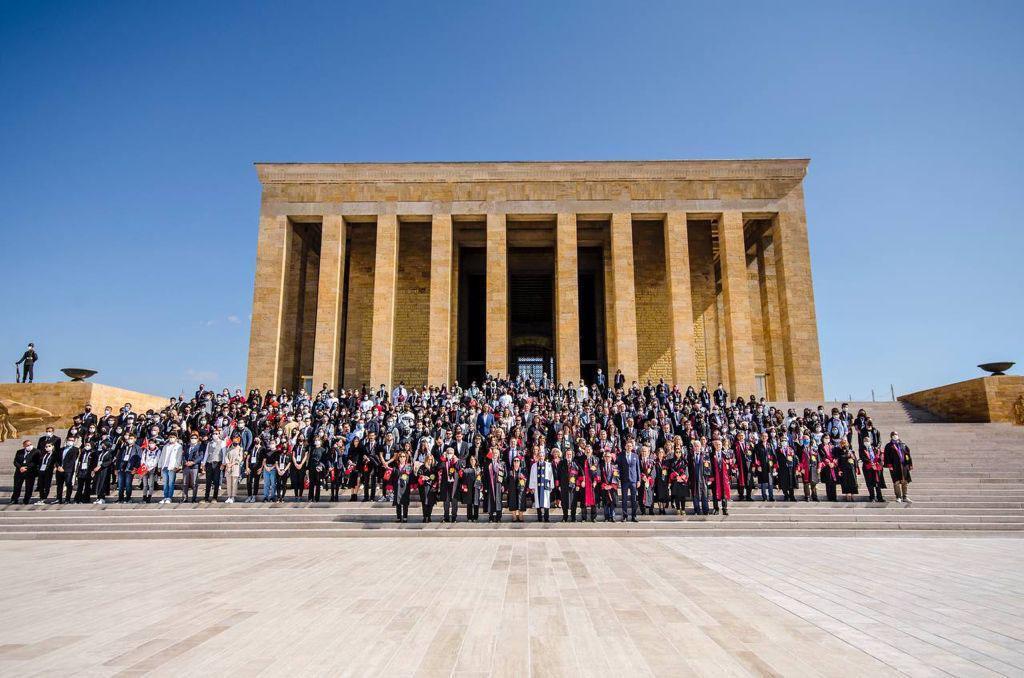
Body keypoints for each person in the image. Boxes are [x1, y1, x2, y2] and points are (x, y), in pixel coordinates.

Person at [884, 431, 913, 503]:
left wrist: (910, 464)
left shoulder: (903, 444)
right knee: (896, 482)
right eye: (893, 435)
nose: (895, 436)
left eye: (896, 434)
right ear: (891, 436)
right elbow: (886, 456)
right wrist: (889, 465)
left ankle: (905, 496)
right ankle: (898, 497)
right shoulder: (888, 446)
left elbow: (907, 455)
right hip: (894, 466)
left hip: (904, 466)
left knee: (905, 481)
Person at [528, 448, 554, 523]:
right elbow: (532, 476)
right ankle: (539, 517)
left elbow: (551, 475)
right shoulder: (534, 465)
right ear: (538, 456)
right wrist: (532, 487)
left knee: (546, 502)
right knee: (538, 502)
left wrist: (551, 485)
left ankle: (546, 517)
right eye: (540, 455)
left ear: (544, 456)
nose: (541, 457)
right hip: (537, 486)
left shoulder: (548, 465)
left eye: (542, 456)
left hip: (545, 485)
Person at [157, 433, 183, 504]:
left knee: (171, 483)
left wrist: (177, 466)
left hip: (172, 467)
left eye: (173, 437)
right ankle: (165, 497)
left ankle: (169, 497)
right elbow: (162, 456)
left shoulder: (179, 446)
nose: (172, 438)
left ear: (176, 438)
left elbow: (179, 457)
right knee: (165, 483)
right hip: (165, 466)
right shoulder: (165, 446)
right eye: (170, 437)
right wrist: (159, 466)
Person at [115, 434, 141, 503]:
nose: (130, 440)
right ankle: (120, 498)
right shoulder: (124, 447)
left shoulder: (137, 448)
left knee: (128, 484)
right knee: (120, 485)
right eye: (129, 438)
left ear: (135, 439)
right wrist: (116, 468)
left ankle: (128, 498)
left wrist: (135, 468)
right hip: (121, 467)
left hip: (130, 468)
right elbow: (118, 458)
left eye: (131, 438)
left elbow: (139, 459)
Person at [618, 441, 640, 522]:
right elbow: (619, 468)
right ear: (625, 447)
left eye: (630, 446)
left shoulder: (635, 456)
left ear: (632, 447)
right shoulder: (620, 456)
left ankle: (634, 516)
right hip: (624, 481)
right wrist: (619, 479)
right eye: (627, 446)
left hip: (634, 481)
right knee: (624, 499)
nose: (629, 447)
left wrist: (639, 480)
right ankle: (625, 516)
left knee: (634, 499)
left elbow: (638, 469)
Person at [12, 440, 39, 504]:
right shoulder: (19, 452)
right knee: (17, 486)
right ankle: (14, 499)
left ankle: (27, 499)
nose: (29, 446)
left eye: (30, 444)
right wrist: (20, 467)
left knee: (29, 487)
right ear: (24, 446)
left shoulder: (36, 451)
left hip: (30, 472)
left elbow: (35, 462)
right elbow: (15, 461)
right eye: (27, 445)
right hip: (19, 472)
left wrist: (26, 467)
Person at [438, 446, 462, 522]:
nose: (449, 454)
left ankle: (454, 517)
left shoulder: (457, 460)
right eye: (448, 453)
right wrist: (443, 458)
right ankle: (446, 517)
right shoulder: (443, 461)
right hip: (446, 484)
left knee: (454, 502)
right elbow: (439, 467)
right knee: (446, 502)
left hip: (454, 485)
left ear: (454, 454)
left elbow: (459, 468)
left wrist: (455, 461)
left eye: (451, 453)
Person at [202, 431, 226, 502]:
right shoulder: (209, 443)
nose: (214, 435)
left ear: (219, 435)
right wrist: (203, 463)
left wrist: (223, 464)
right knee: (208, 481)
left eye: (216, 434)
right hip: (209, 463)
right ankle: (206, 497)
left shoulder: (222, 442)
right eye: (213, 434)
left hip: (217, 463)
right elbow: (206, 453)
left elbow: (224, 454)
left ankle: (214, 497)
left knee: (216, 481)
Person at [55, 437, 80, 504]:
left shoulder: (75, 449)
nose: (70, 441)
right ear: (66, 440)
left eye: (72, 440)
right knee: (59, 485)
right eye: (69, 440)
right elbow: (57, 459)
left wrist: (64, 468)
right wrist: (58, 466)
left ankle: (67, 499)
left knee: (68, 484)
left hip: (68, 470)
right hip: (59, 470)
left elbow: (72, 460)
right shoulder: (61, 449)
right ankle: (59, 499)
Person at [392, 450, 414, 522]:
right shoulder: (395, 467)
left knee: (405, 503)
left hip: (405, 487)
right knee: (398, 503)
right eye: (400, 456)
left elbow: (411, 477)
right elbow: (392, 477)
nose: (402, 458)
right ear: (398, 458)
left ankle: (405, 517)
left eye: (403, 456)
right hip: (397, 487)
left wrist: (412, 486)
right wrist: (390, 487)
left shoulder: (408, 466)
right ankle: (398, 518)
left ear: (406, 458)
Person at [460, 454, 483, 522]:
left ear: (476, 460)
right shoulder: (466, 468)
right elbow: (463, 478)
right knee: (469, 503)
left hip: (476, 487)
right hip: (469, 487)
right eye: (471, 459)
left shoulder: (479, 468)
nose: (472, 461)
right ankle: (469, 517)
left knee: (476, 502)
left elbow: (481, 478)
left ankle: (475, 517)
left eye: (473, 459)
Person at [506, 455, 529, 523]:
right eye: (515, 461)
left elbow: (527, 479)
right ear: (513, 462)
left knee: (521, 501)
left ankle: (521, 516)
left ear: (520, 462)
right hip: (512, 489)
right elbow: (506, 480)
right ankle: (514, 516)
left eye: (517, 461)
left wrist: (524, 479)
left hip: (521, 489)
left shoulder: (523, 470)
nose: (516, 462)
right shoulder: (510, 471)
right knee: (513, 501)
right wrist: (507, 488)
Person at [417, 452, 439, 522]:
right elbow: (418, 475)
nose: (430, 461)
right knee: (425, 503)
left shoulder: (434, 468)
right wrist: (422, 477)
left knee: (431, 502)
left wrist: (435, 484)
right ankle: (425, 516)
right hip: (424, 487)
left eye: (431, 459)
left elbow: (437, 477)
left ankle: (429, 516)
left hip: (432, 487)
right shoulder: (422, 467)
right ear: (426, 459)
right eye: (428, 459)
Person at [599, 450, 619, 522]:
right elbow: (599, 476)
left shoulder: (615, 466)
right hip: (604, 487)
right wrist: (603, 485)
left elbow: (617, 477)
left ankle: (612, 516)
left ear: (611, 458)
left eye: (609, 457)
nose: (607, 458)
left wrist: (611, 485)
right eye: (606, 456)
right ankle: (606, 517)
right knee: (605, 502)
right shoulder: (601, 466)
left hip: (612, 487)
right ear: (604, 458)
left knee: (612, 502)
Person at [223, 436, 244, 503]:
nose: (235, 442)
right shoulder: (229, 447)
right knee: (229, 483)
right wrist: (228, 463)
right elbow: (226, 456)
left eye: (236, 441)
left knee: (234, 483)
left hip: (235, 467)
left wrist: (232, 464)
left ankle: (233, 497)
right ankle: (229, 496)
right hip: (228, 467)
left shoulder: (240, 449)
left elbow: (240, 458)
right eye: (234, 441)